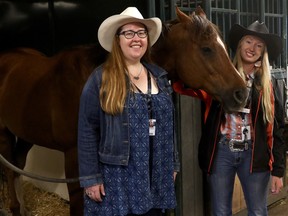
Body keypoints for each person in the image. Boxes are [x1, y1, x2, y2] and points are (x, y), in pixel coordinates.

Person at [173, 21, 285, 215]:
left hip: (254, 153)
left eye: (259, 45)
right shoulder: (219, 77)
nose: (252, 48)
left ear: (263, 52)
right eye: (248, 41)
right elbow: (184, 86)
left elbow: (278, 130)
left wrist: (278, 170)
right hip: (222, 151)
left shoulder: (268, 85)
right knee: (220, 212)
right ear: (240, 44)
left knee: (258, 211)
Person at [77, 7, 179, 216]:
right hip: (118, 178)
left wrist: (173, 163)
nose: (136, 38)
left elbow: (169, 126)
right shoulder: (101, 79)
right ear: (117, 40)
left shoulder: (160, 77)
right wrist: (91, 178)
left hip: (156, 173)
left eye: (141, 33)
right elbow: (87, 129)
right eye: (128, 33)